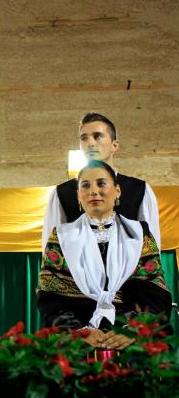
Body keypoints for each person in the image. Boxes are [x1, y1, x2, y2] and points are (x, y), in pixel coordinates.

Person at [37, 161, 171, 350]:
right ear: (78, 195)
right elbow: (49, 297)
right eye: (85, 185)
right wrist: (79, 332)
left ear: (117, 191)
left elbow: (155, 294)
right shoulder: (60, 237)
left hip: (131, 340)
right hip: (77, 341)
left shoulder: (139, 234)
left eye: (101, 183)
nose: (93, 191)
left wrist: (131, 330)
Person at [42, 112, 160, 251]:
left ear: (114, 145)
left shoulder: (140, 189)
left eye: (97, 136)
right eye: (84, 138)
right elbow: (51, 249)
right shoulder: (61, 193)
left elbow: (151, 246)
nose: (91, 143)